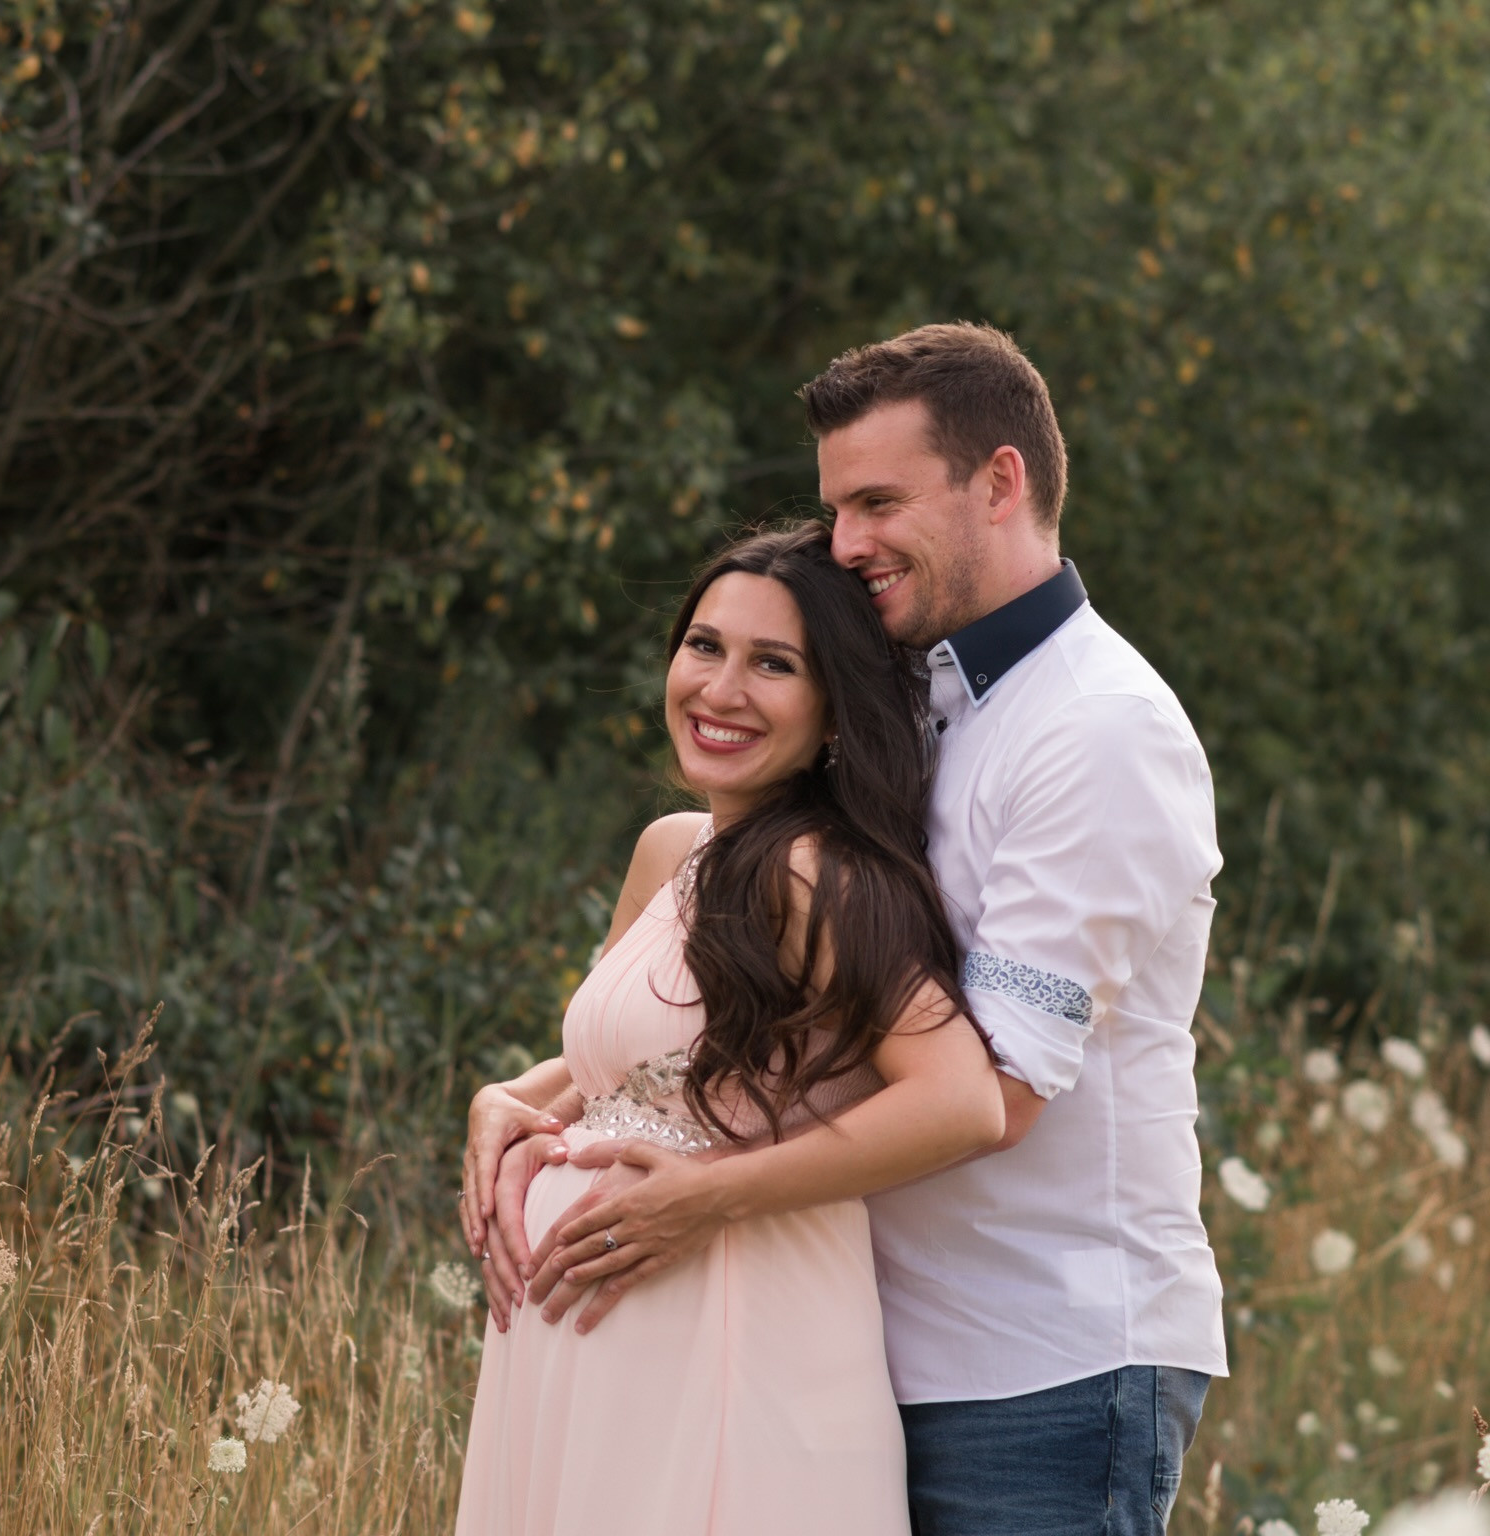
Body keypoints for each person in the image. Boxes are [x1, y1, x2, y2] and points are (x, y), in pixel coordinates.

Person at [461, 323, 1225, 1536]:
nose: (848, 542)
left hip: (1039, 1362)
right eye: (836, 509)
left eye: (877, 502)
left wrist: (703, 1193)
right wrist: (546, 1094)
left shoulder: (1097, 730)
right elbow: (788, 1001)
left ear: (1001, 482)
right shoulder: (922, 692)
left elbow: (996, 1091)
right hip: (863, 1329)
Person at [451, 522, 1006, 1535]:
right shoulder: (672, 851)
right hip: (585, 1343)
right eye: (704, 646)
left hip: (729, 1338)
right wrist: (507, 1101)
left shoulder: (821, 876)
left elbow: (960, 1100)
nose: (719, 688)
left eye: (774, 665)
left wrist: (706, 1200)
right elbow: (635, 1069)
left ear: (834, 708)